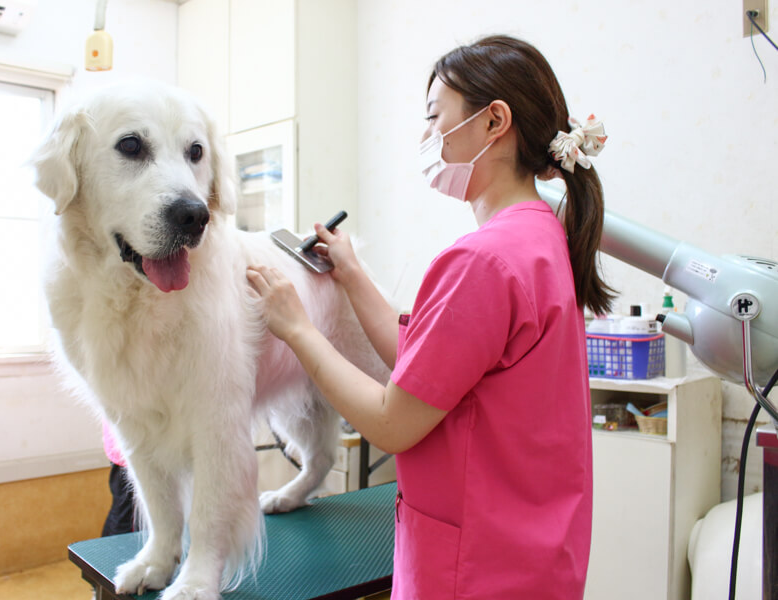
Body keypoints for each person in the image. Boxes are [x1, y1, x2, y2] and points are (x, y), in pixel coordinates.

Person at [246, 34, 614, 599]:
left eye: (434, 117)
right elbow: (430, 367)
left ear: (495, 122)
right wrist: (352, 275)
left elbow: (393, 421)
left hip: (476, 570)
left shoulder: (483, 261)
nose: (425, 137)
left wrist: (296, 328)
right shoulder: (538, 239)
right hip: (532, 555)